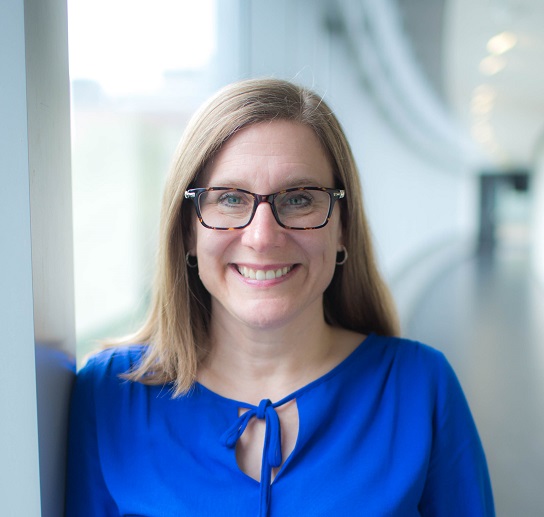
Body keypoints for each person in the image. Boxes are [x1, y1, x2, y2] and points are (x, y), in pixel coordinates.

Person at [66, 78, 495, 516]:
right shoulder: (110, 395)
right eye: (230, 198)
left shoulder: (420, 387)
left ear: (343, 226)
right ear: (188, 232)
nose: (263, 236)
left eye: (299, 199)